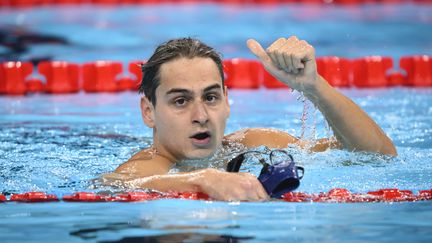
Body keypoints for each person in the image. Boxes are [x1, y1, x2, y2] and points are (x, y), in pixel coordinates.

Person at [103, 36, 397, 201]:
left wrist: (314, 86)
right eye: (181, 101)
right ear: (148, 112)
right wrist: (201, 180)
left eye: (211, 97)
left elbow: (377, 154)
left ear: (227, 101)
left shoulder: (251, 144)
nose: (201, 116)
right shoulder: (150, 165)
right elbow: (108, 186)